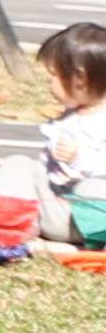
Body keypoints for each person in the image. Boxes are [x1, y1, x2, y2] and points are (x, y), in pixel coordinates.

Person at [15, 20, 106, 244]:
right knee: (19, 165)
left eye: (53, 76)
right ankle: (11, 214)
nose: (50, 85)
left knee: (91, 188)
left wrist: (79, 157)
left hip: (83, 215)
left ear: (80, 79)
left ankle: (28, 220)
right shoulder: (70, 115)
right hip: (55, 201)